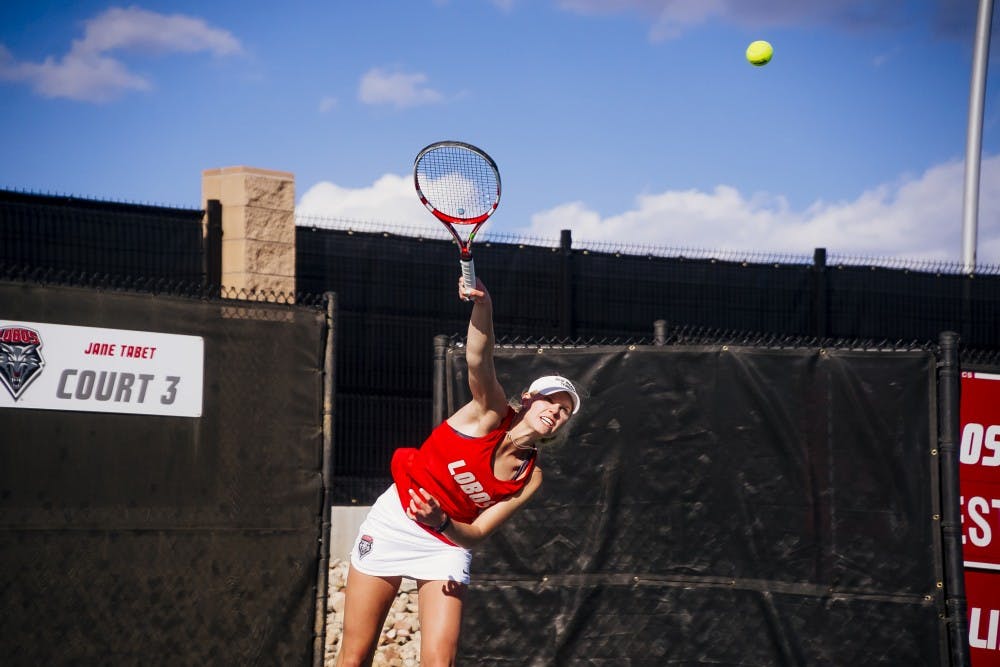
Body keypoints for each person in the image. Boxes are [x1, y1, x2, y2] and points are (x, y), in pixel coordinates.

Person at [333, 276, 582, 667]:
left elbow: (478, 532)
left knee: (439, 661)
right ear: (530, 399)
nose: (556, 410)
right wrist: (484, 306)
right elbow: (478, 359)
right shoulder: (489, 411)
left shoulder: (530, 476)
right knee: (354, 656)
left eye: (565, 410)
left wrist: (442, 521)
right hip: (395, 519)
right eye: (551, 399)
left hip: (445, 542)